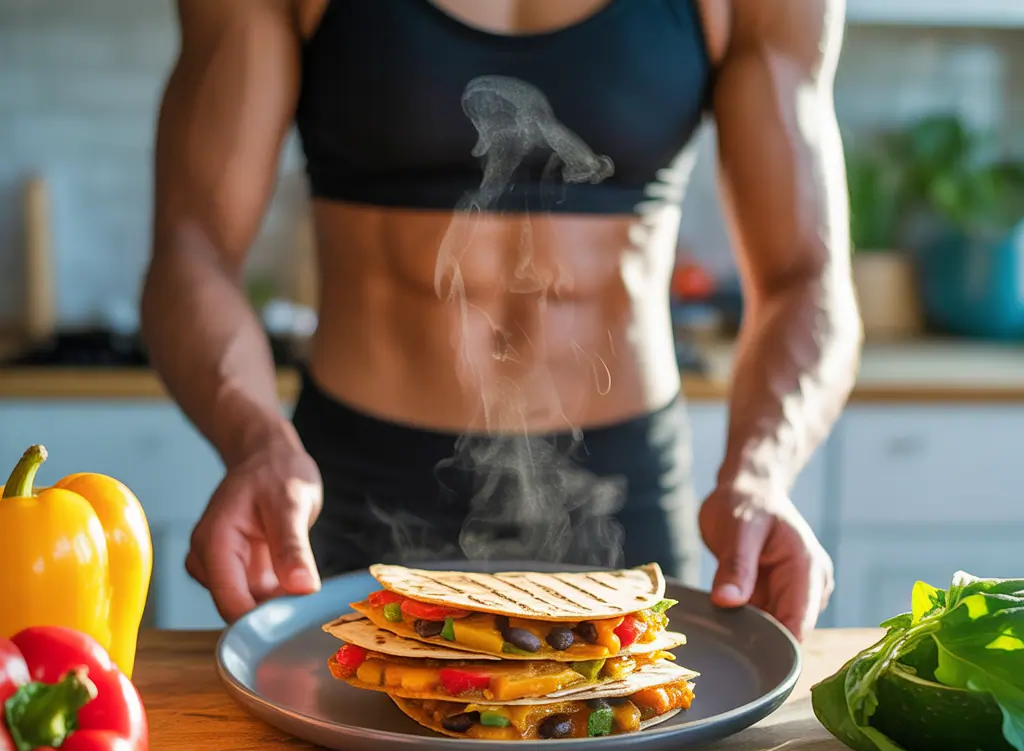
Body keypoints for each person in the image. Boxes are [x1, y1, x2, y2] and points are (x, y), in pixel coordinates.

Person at [141, 0, 858, 641]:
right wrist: (255, 442)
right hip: (353, 485)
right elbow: (191, 249)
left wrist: (760, 472)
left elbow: (807, 277)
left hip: (620, 488)